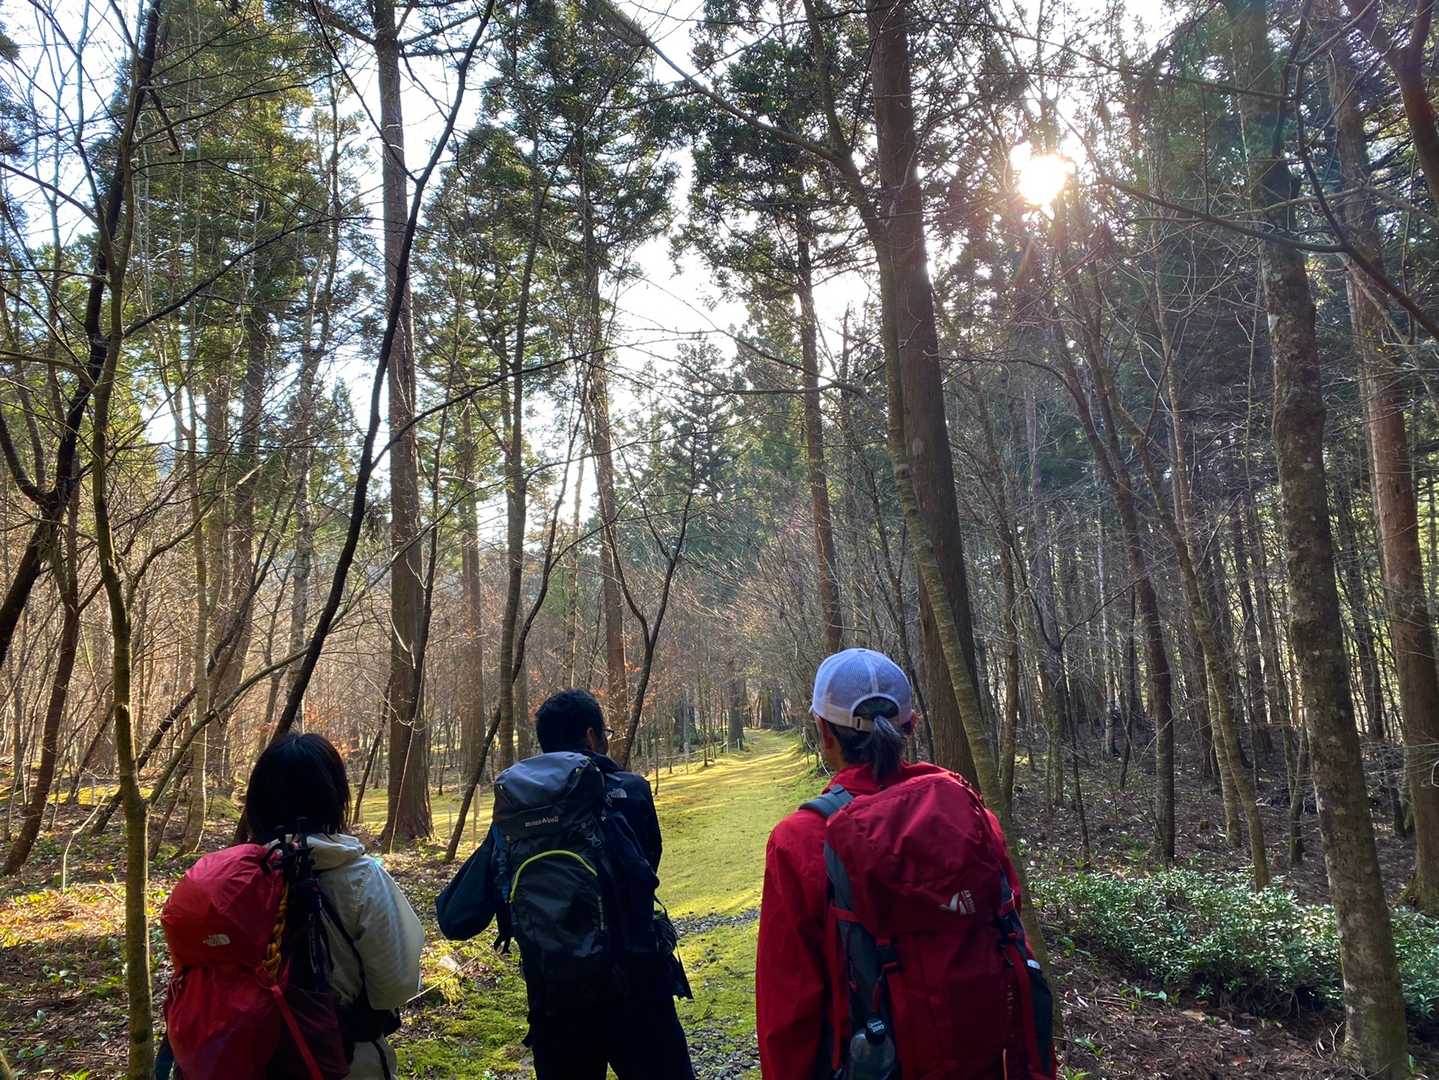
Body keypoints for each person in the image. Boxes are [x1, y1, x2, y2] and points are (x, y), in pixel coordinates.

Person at [756, 648, 1053, 1079]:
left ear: (824, 732)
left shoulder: (799, 841)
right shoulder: (973, 818)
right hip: (983, 1063)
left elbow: (788, 1009)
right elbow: (1008, 930)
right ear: (909, 725)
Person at [436, 689, 694, 1080]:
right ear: (591, 736)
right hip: (638, 992)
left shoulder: (516, 818)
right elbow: (647, 870)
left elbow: (456, 919)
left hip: (555, 1002)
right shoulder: (631, 791)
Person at [243, 733, 424, 1080]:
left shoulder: (234, 877)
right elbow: (396, 984)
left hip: (244, 1056)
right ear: (334, 796)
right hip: (342, 1058)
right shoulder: (361, 877)